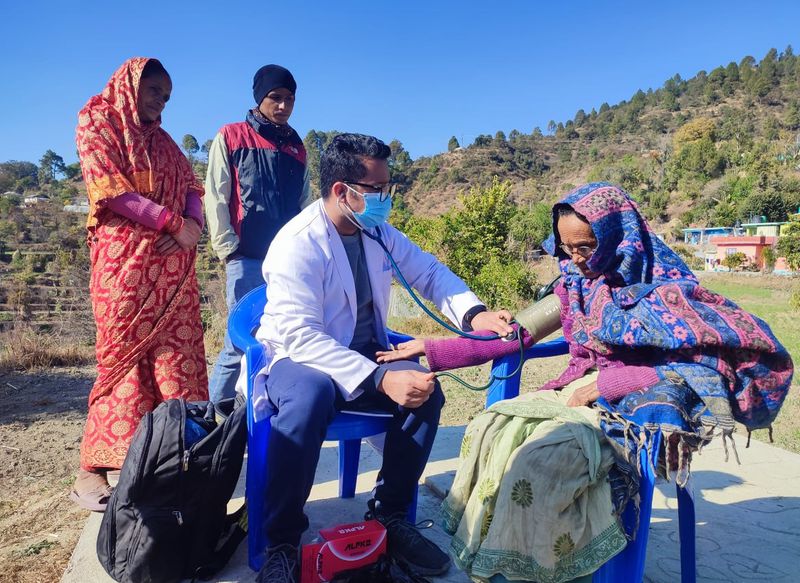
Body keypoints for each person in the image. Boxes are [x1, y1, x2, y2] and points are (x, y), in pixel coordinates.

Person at [377, 182, 793, 582]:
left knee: (537, 464)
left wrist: (614, 382)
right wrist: (431, 350)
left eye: (585, 247)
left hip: (633, 411)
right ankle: (509, 564)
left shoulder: (668, 291)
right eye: (566, 247)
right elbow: (513, 337)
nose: (575, 258)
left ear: (616, 236)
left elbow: (708, 363)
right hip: (581, 392)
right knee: (491, 429)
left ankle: (551, 569)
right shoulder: (576, 286)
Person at [252, 133, 514, 583]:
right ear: (342, 191)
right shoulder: (297, 243)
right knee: (311, 396)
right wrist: (377, 378)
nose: (386, 199)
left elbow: (428, 272)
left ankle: (390, 516)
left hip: (363, 351)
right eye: (377, 190)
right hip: (299, 359)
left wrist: (475, 313)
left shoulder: (376, 232)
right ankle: (281, 542)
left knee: (424, 390)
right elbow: (300, 334)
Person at [71, 58, 208, 511]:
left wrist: (191, 225)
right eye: (154, 90)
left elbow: (192, 185)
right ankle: (93, 468)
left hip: (173, 270)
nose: (160, 101)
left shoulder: (166, 142)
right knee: (121, 363)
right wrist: (171, 223)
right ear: (130, 84)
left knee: (176, 363)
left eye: (166, 96)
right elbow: (109, 188)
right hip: (125, 267)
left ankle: (172, 461)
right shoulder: (98, 119)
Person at [205, 64, 311, 403]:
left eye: (289, 100)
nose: (283, 106)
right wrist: (228, 249)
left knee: (282, 343)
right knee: (238, 345)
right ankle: (212, 426)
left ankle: (260, 419)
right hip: (246, 259)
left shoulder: (297, 146)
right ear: (259, 98)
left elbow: (306, 203)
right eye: (275, 98)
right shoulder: (232, 136)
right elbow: (216, 194)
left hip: (287, 264)